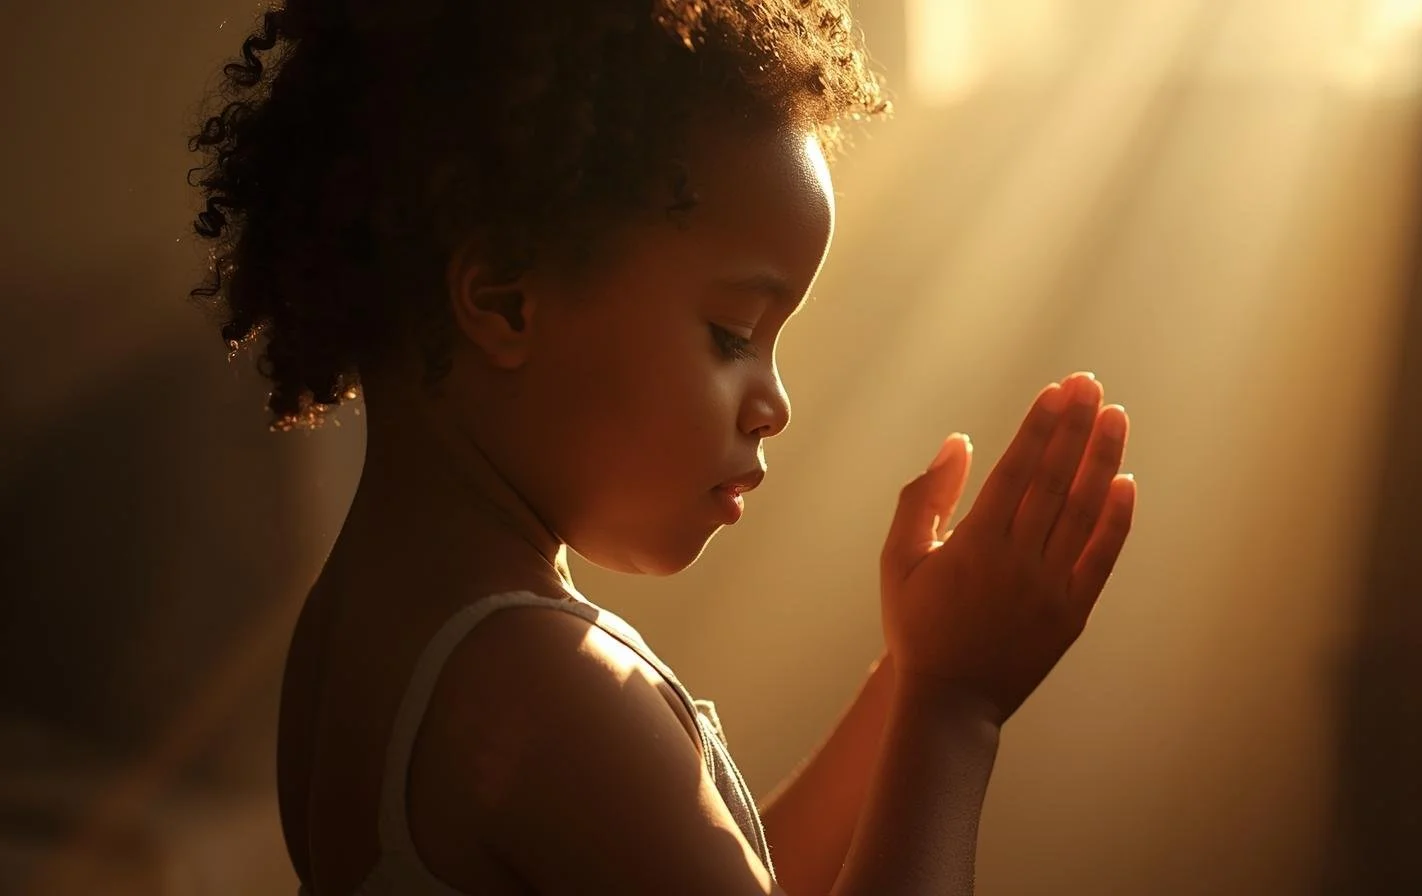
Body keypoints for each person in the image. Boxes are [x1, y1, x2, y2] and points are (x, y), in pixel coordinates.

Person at [186, 1, 1137, 893]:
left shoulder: (367, 626)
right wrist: (954, 708)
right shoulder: (544, 687)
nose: (774, 403)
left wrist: (905, 677)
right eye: (732, 333)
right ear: (506, 301)